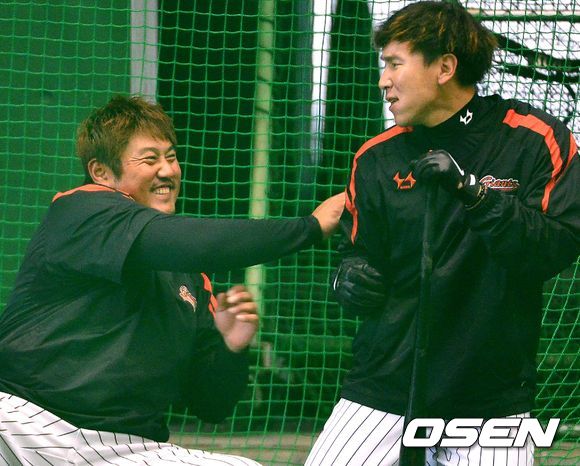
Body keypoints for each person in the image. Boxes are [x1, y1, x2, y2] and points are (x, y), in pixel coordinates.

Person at [0, 95, 344, 466]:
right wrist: (311, 228)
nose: (168, 171)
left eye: (171, 156)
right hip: (23, 421)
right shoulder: (79, 211)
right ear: (101, 172)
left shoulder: (192, 280)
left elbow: (211, 406)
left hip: (123, 448)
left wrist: (231, 347)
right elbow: (194, 242)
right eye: (150, 159)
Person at [305, 2, 580, 466]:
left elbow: (553, 248)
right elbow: (356, 252)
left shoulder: (535, 139)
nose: (383, 81)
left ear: (445, 68)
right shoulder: (375, 158)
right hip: (382, 387)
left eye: (395, 64)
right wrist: (349, 277)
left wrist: (474, 194)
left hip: (490, 399)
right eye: (382, 66)